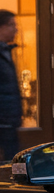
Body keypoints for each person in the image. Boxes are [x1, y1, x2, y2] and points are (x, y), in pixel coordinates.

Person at [0, 9, 22, 162]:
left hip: (9, 120)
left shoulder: (6, 50)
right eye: (11, 24)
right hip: (3, 121)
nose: (15, 29)